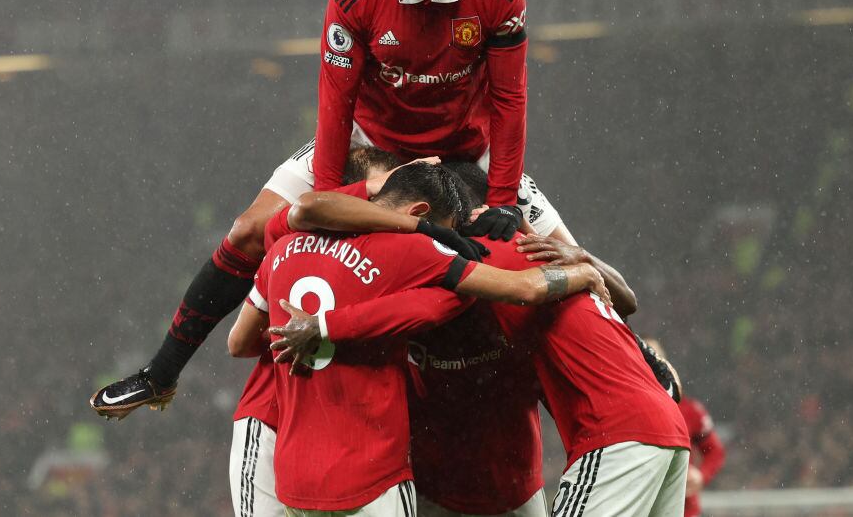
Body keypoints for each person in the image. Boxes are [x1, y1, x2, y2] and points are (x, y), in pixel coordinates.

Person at [91, 0, 572, 419]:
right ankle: (161, 373)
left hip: (464, 151)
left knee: (550, 240)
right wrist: (328, 203)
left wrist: (506, 200)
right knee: (250, 229)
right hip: (369, 143)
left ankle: (630, 348)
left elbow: (510, 101)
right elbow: (334, 103)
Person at [273, 165, 691, 517]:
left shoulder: (475, 258)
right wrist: (586, 264)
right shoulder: (542, 249)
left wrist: (325, 325)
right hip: (665, 431)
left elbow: (438, 305)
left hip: (614, 437)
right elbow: (626, 304)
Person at [225, 147, 403, 517]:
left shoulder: (287, 243)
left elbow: (239, 343)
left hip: (280, 420)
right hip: (334, 433)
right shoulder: (392, 259)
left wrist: (290, 338)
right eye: (382, 192)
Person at [643, 339, 727, 517]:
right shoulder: (623, 410)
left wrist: (701, 475)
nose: (651, 365)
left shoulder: (689, 411)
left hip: (684, 511)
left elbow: (715, 451)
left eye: (654, 357)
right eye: (644, 358)